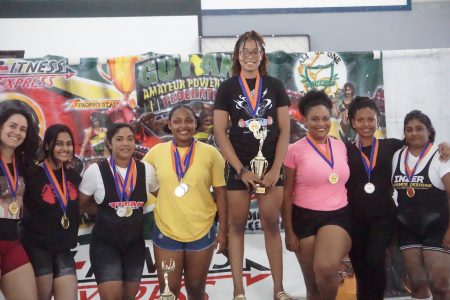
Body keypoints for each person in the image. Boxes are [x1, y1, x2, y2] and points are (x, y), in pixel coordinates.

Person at [346, 97, 450, 300]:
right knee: (363, 269)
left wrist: (445, 145)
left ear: (378, 120)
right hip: (363, 220)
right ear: (352, 122)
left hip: (388, 218)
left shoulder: (391, 146)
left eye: (371, 119)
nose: (366, 124)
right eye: (360, 120)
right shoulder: (346, 150)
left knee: (376, 260)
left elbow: (422, 143)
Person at [213, 30, 291, 300]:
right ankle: (238, 291)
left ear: (262, 55)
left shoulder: (275, 86)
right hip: (239, 169)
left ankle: (279, 289)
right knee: (236, 227)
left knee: (271, 225)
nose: (250, 57)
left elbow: (284, 130)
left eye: (255, 52)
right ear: (237, 55)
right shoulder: (227, 88)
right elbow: (220, 133)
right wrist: (240, 170)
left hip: (270, 168)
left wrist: (274, 169)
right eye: (245, 52)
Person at [143, 105, 227, 299]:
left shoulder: (211, 153)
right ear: (169, 125)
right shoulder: (156, 152)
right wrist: (161, 195)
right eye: (177, 121)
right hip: (167, 231)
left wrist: (223, 232)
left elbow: (221, 192)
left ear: (195, 124)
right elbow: (141, 179)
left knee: (196, 289)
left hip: (202, 231)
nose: (184, 125)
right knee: (168, 291)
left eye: (188, 120)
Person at [282, 90, 351, 300]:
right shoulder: (294, 150)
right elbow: (287, 193)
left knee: (327, 269)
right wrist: (289, 231)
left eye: (325, 118)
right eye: (314, 119)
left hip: (337, 216)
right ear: (305, 120)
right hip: (303, 219)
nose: (321, 124)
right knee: (312, 286)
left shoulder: (341, 147)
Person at [78, 123, 159, 300]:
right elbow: (82, 203)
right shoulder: (95, 171)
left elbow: (161, 196)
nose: (126, 143)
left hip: (134, 246)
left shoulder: (147, 170)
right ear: (109, 143)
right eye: (119, 139)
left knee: (128, 297)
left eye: (130, 139)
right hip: (105, 245)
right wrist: (105, 213)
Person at [391, 110, 450, 300]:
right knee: (416, 284)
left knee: (440, 286)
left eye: (419, 128)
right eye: (409, 129)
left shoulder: (441, 156)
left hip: (438, 228)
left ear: (429, 131)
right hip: (407, 228)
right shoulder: (397, 156)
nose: (414, 133)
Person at [20, 124, 81, 300]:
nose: (65, 148)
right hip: (37, 248)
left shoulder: (73, 175)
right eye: (59, 143)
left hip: (63, 248)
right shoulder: (32, 174)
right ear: (47, 145)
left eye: (69, 144)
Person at [0, 104, 39, 300]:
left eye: (23, 129)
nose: (17, 132)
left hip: (12, 242)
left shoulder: (22, 164)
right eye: (12, 126)